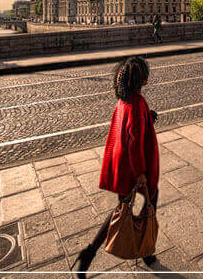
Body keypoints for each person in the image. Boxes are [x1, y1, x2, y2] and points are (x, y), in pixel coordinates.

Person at [73, 56, 160, 276]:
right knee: (148, 199)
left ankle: (89, 253)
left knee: (123, 205)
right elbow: (134, 142)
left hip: (122, 163)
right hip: (134, 165)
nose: (148, 77)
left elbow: (131, 125)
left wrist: (147, 117)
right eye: (145, 74)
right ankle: (145, 249)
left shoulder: (125, 99)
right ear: (140, 79)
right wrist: (140, 173)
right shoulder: (137, 102)